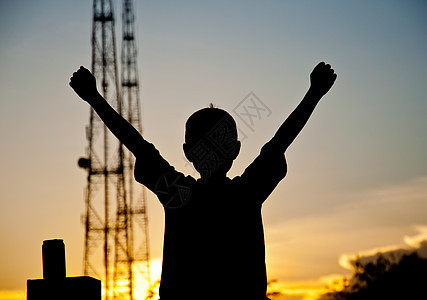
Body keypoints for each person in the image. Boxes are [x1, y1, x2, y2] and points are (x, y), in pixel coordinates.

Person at [69, 62, 337, 300]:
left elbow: (138, 145)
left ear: (188, 152)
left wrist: (94, 98)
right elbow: (280, 142)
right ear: (236, 151)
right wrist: (314, 93)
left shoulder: (179, 194)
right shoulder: (246, 193)